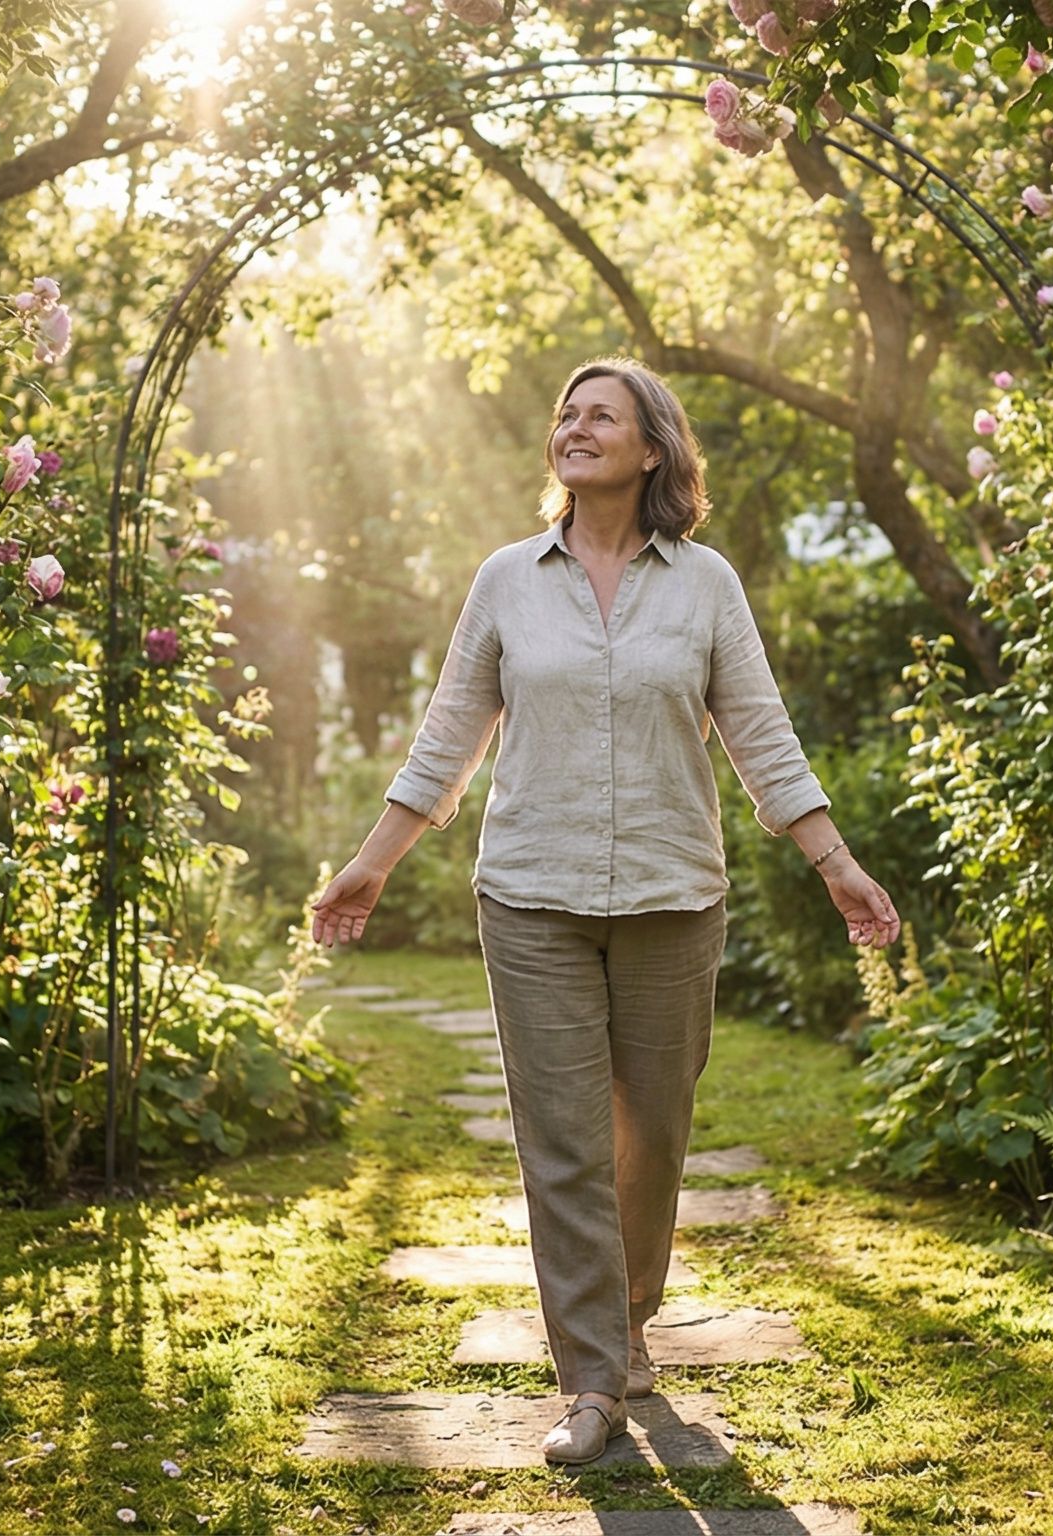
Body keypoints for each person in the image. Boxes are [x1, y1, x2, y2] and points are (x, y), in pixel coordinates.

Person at [309, 356, 900, 1466]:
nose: (574, 427)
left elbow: (760, 734)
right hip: (531, 896)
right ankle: (589, 1379)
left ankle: (628, 1316)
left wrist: (836, 863)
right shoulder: (507, 580)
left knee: (655, 1131)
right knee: (563, 1143)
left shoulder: (706, 585)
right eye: (565, 413)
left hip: (676, 896)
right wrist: (370, 863)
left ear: (650, 449)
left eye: (601, 416)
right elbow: (449, 734)